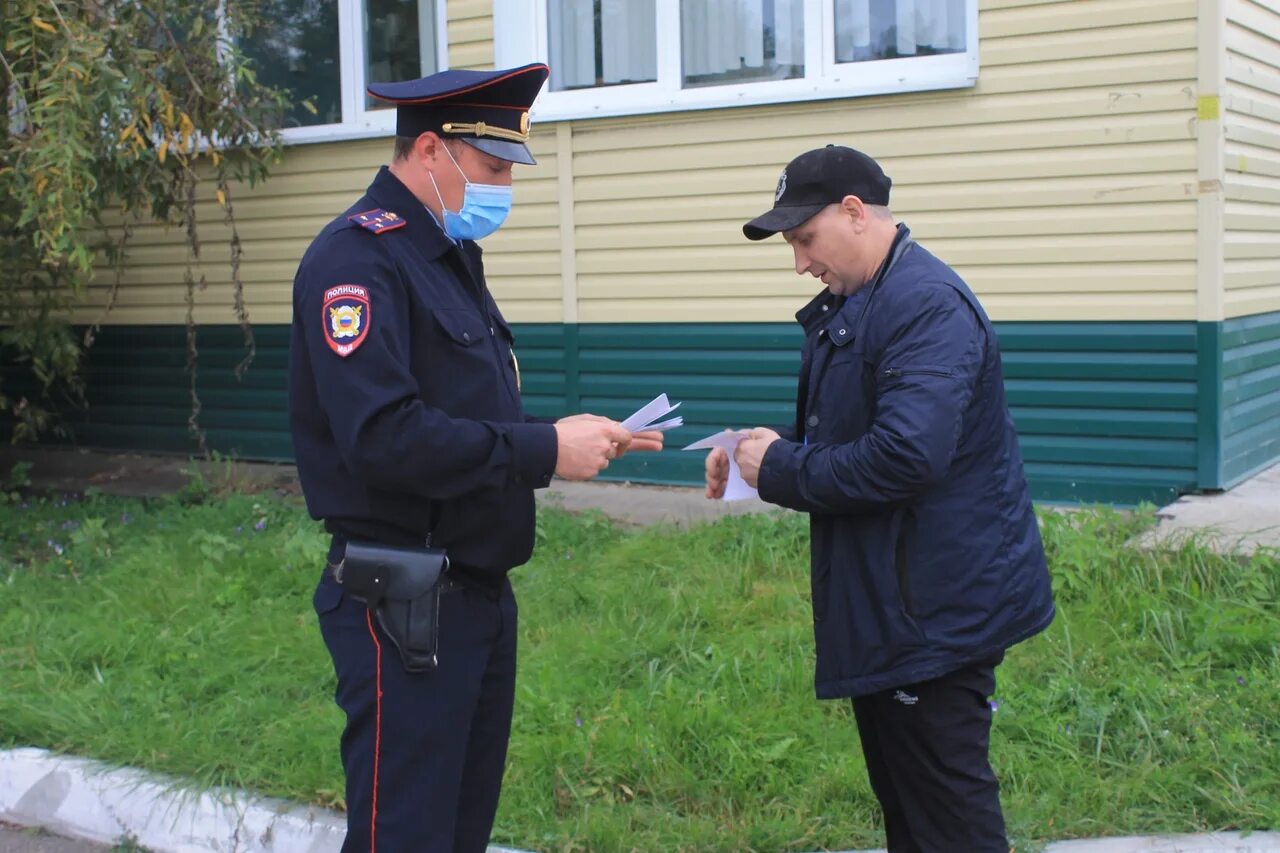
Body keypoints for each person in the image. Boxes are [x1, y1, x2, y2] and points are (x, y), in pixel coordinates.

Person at [287, 62, 662, 853]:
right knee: (407, 834)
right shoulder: (356, 263)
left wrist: (565, 433)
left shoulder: (445, 255)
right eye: (492, 169)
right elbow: (385, 436)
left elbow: (463, 414)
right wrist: (541, 449)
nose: (504, 190)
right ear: (430, 151)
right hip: (404, 598)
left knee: (458, 831)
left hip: (475, 596)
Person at [707, 144, 1055, 851]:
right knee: (911, 807)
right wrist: (754, 454)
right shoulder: (865, 299)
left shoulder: (924, 305)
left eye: (804, 239)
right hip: (895, 606)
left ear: (856, 213)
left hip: (933, 615)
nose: (799, 262)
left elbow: (904, 456)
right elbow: (848, 432)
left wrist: (781, 469)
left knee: (947, 815)